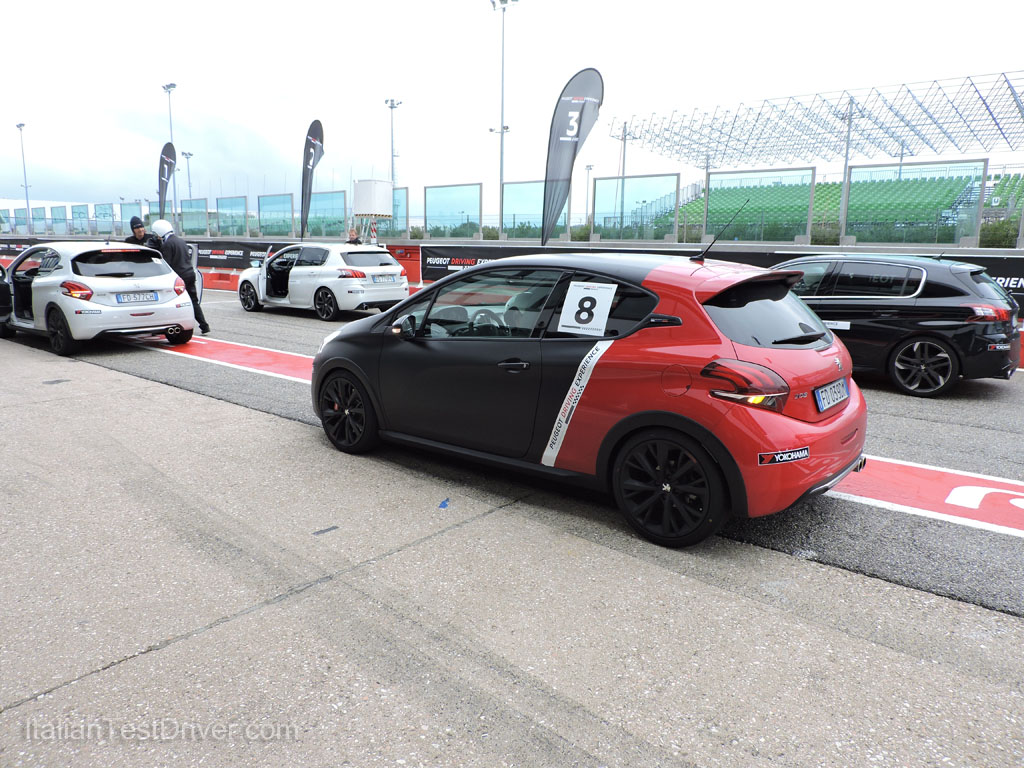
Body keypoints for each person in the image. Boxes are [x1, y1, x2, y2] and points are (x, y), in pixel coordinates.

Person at [151, 219, 210, 335]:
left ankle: (166, 326)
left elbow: (166, 264)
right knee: (193, 301)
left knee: (171, 302)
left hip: (178, 277)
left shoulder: (167, 244)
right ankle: (204, 325)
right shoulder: (180, 241)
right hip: (189, 274)